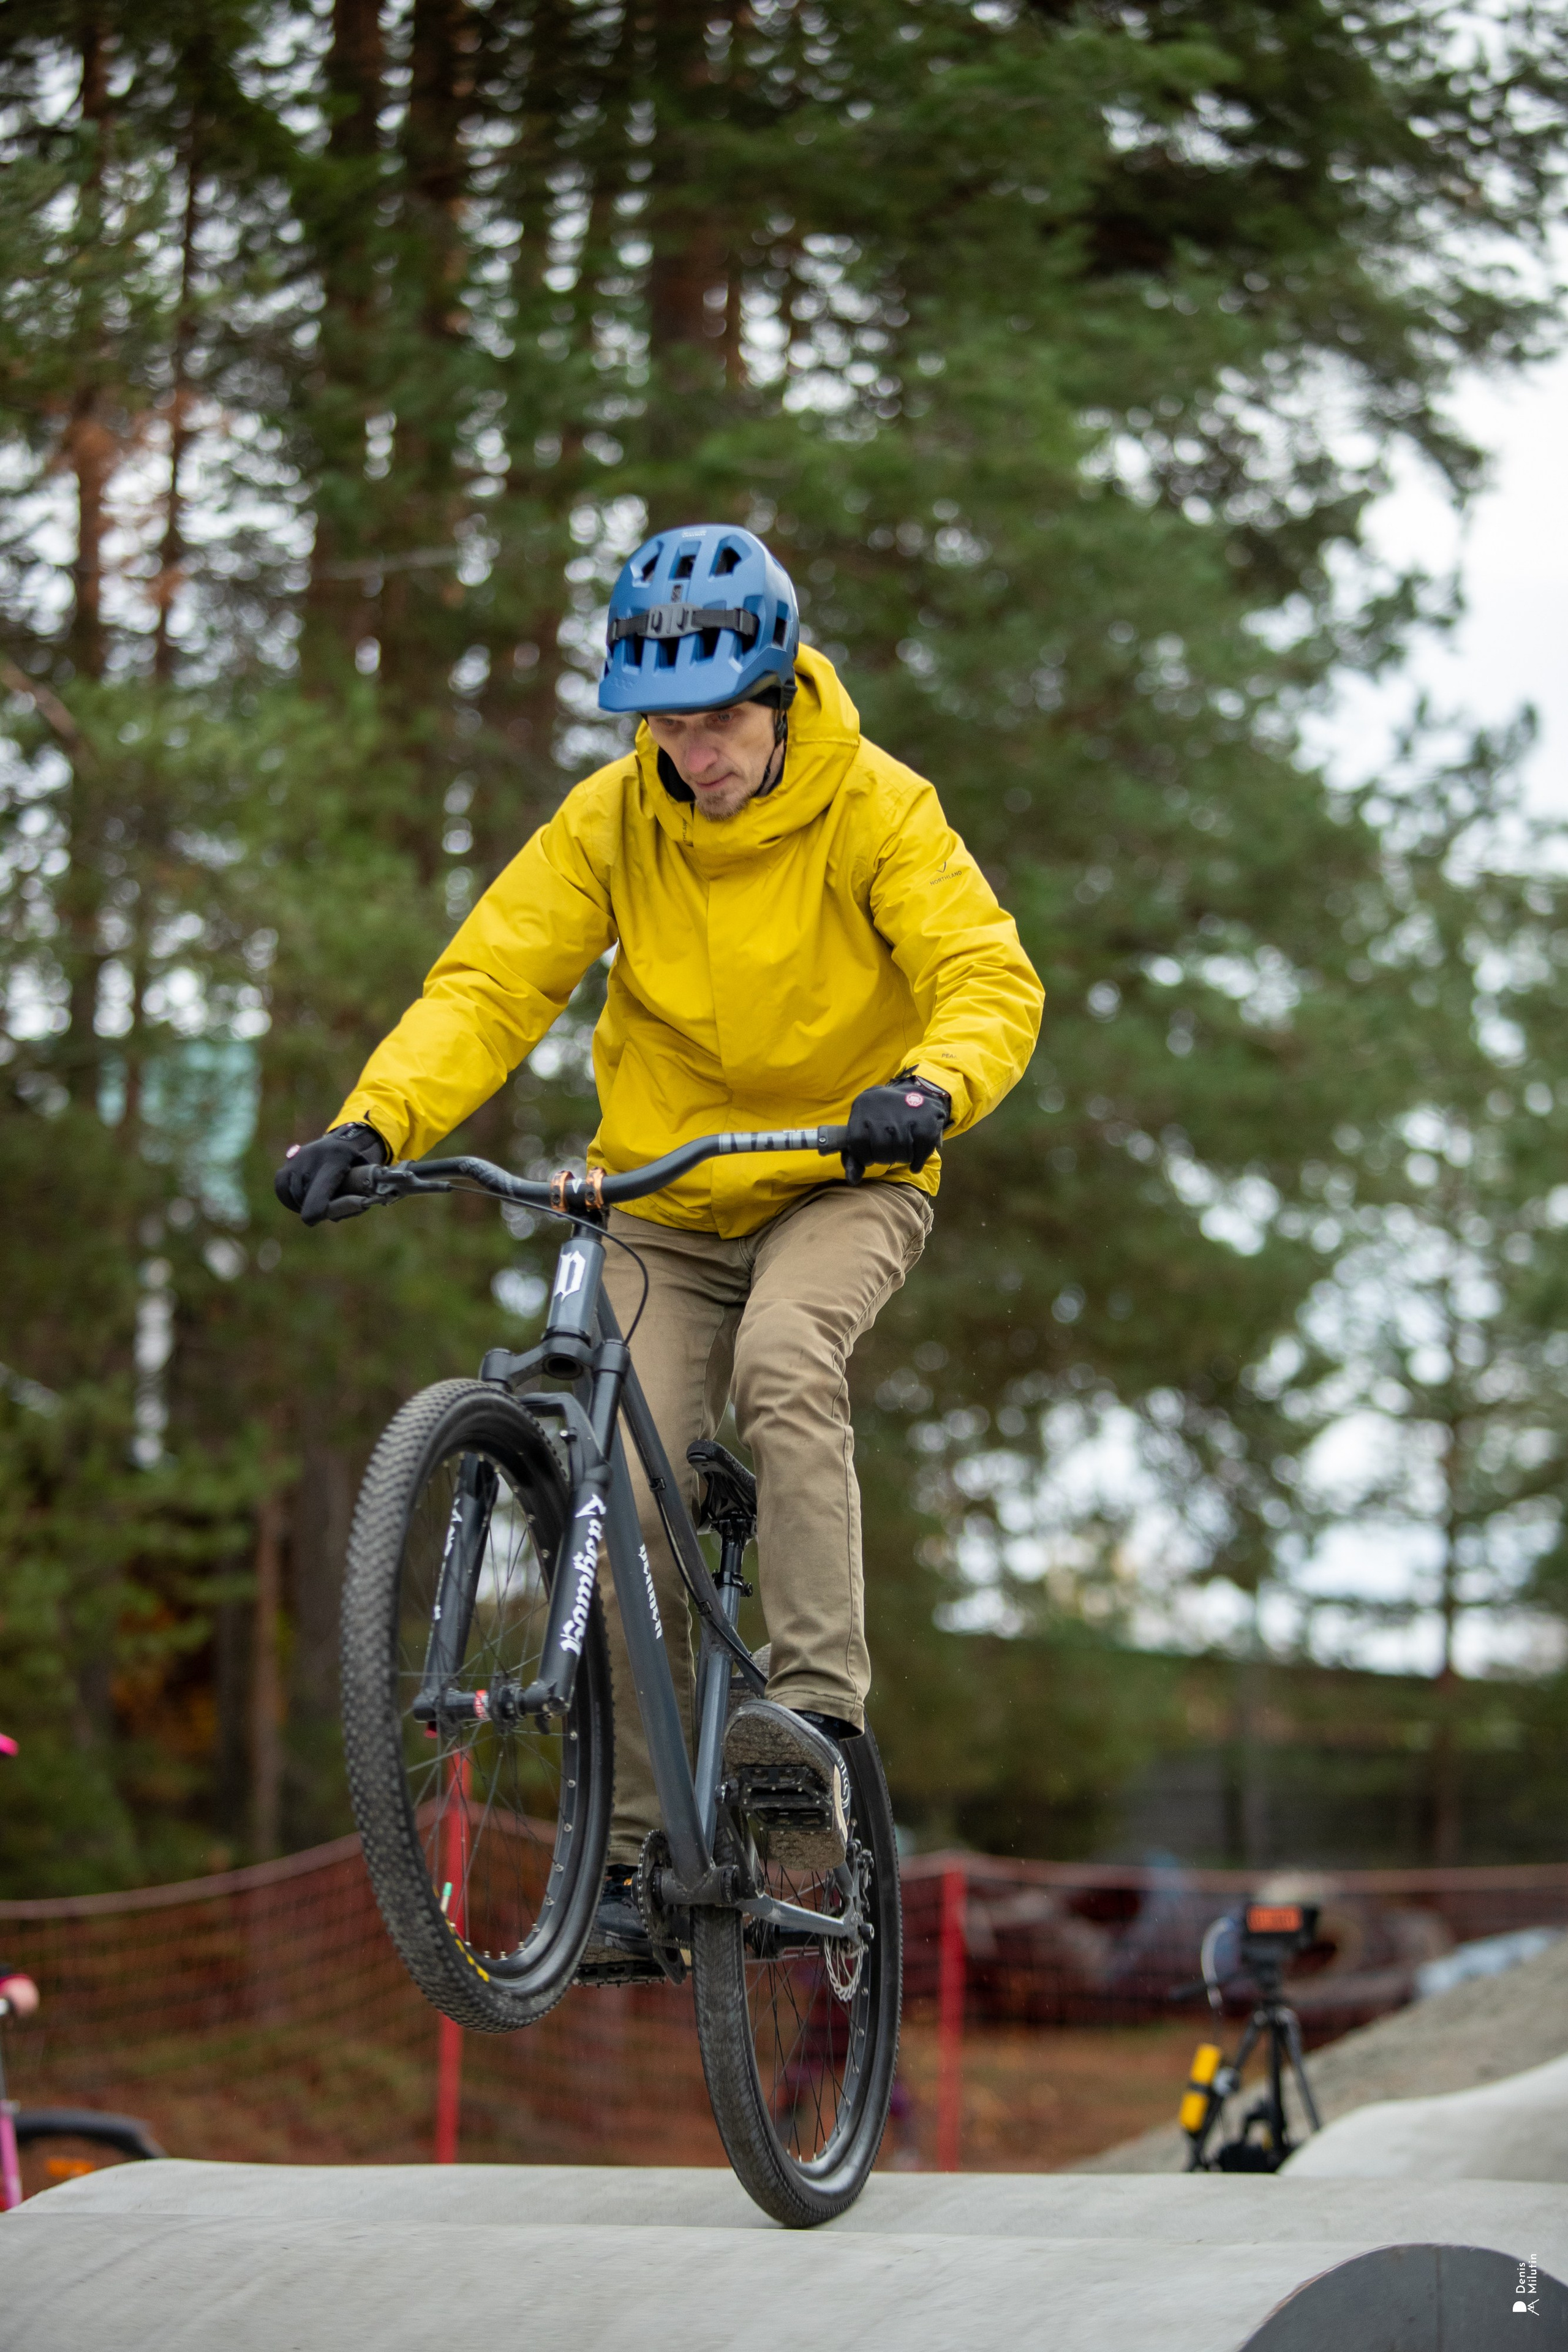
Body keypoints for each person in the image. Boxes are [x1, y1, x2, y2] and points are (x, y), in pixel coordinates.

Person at [276, 523, 1042, 1967]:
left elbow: (985, 974)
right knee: (617, 1489)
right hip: (666, 1201)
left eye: (716, 725)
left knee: (784, 1365)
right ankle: (634, 1857)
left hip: (840, 1171)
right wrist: (371, 1121)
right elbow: (493, 981)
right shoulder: (609, 822)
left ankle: (809, 1729)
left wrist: (926, 1092)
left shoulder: (876, 807)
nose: (695, 756)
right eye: (668, 731)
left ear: (776, 697)